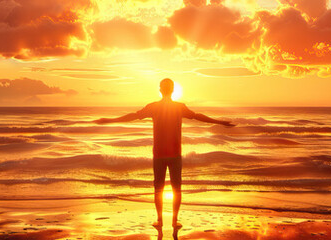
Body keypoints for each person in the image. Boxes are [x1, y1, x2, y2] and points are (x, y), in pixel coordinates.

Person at [93, 78, 235, 228]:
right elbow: (198, 116)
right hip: (174, 154)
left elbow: (133, 116)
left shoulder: (153, 107)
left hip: (160, 155)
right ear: (172, 90)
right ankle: (174, 221)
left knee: (158, 188)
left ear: (160, 90)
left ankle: (160, 220)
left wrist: (110, 120)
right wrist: (220, 122)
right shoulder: (179, 107)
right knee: (176, 188)